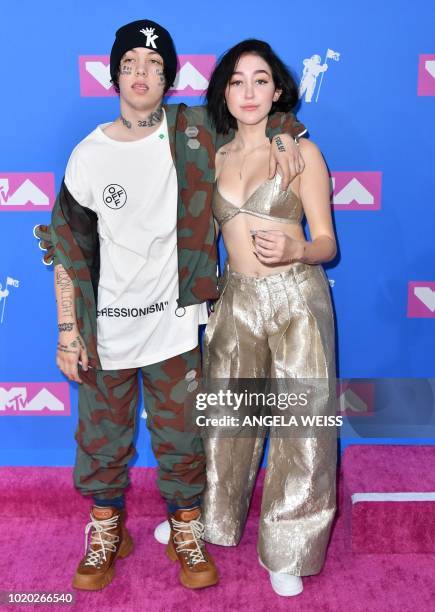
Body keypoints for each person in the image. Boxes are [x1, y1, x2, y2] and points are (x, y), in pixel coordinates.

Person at [33, 22, 307, 591]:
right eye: (130, 62)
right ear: (113, 74)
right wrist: (67, 330)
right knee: (102, 440)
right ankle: (107, 528)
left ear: (168, 76)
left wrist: (284, 134)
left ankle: (186, 528)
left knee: (182, 440)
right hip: (105, 329)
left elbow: (256, 116)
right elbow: (67, 249)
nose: (141, 74)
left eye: (154, 65)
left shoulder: (193, 132)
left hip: (176, 327)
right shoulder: (87, 155)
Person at [201, 39, 337, 597]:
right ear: (225, 93)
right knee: (225, 422)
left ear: (277, 90)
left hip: (296, 300)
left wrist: (297, 251)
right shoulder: (212, 155)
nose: (249, 91)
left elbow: (326, 242)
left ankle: (290, 548)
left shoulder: (299, 152)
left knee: (303, 428)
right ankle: (213, 524)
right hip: (235, 301)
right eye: (237, 80)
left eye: (261, 80)